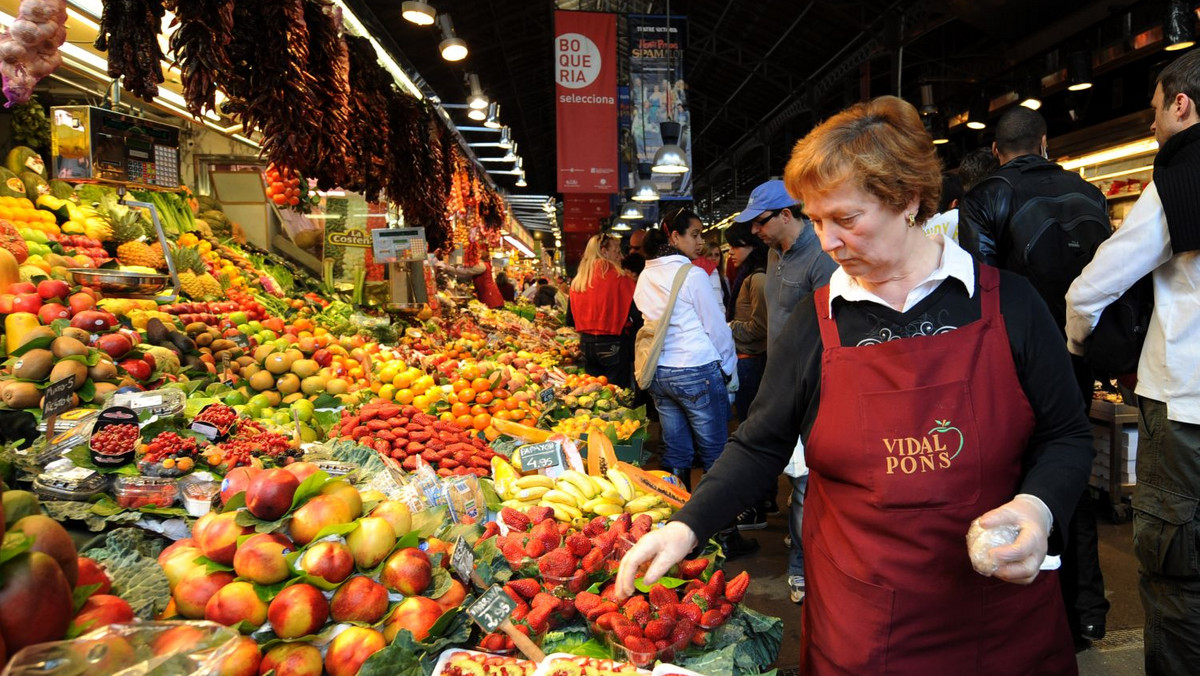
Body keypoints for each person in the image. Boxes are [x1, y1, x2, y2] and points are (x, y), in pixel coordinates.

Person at [618, 96, 1093, 675]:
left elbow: (1066, 435)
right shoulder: (815, 325)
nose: (829, 242)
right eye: (816, 221)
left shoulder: (1009, 305)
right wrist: (686, 526)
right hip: (866, 626)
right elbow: (760, 443)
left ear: (909, 200)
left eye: (846, 219)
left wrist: (1038, 509)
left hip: (1000, 618)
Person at [1066, 48, 1200, 675]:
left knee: (1178, 573)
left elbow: (1094, 285)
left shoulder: (1178, 175)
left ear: (1183, 103)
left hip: (1186, 409)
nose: (1152, 125)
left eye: (1155, 111)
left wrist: (1076, 341)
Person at [958, 106, 1112, 647]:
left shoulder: (983, 196)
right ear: (1045, 142)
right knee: (1071, 468)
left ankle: (1027, 617)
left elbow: (980, 289)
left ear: (996, 150)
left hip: (1018, 361)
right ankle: (1085, 613)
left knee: (1023, 481)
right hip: (1078, 353)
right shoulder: (1088, 192)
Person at [734, 179, 838, 591]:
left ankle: (799, 567)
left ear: (786, 215)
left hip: (812, 384)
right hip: (780, 378)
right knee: (795, 475)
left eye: (760, 223)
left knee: (804, 479)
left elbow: (829, 330)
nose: (754, 232)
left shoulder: (821, 257)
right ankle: (800, 545)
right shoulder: (775, 255)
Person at [633, 209, 737, 487]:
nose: (700, 241)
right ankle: (721, 528)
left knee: (676, 450)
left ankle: (680, 516)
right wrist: (729, 367)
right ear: (675, 236)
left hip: (660, 372)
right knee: (715, 452)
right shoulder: (692, 275)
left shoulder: (645, 275)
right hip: (696, 370)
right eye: (694, 234)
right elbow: (715, 327)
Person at [569, 232, 636, 388]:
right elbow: (635, 314)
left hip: (586, 344)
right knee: (617, 395)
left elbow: (570, 319)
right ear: (604, 251)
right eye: (617, 251)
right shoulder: (620, 278)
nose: (621, 256)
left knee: (593, 393)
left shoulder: (578, 281)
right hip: (613, 344)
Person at [724, 221, 768, 418]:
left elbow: (761, 327)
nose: (731, 252)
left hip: (751, 360)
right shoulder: (746, 276)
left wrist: (730, 326)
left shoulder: (757, 279)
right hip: (744, 358)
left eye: (736, 246)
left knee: (749, 418)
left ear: (753, 245)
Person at [439, 242, 504, 309]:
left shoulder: (481, 266)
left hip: (491, 298)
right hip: (489, 296)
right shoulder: (483, 264)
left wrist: (446, 267)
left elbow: (465, 271)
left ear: (480, 256)